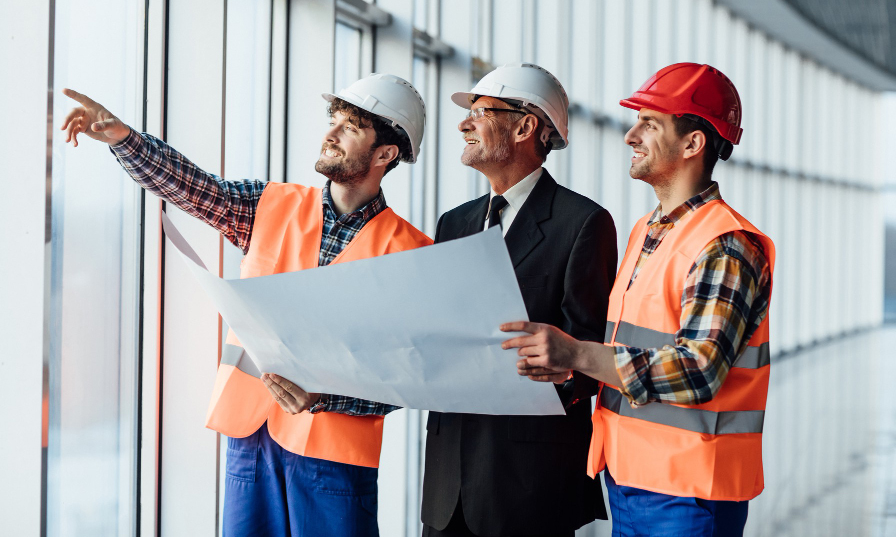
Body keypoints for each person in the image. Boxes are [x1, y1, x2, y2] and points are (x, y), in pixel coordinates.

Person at [60, 73, 432, 536]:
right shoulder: (271, 204)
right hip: (251, 438)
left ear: (385, 154)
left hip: (334, 455)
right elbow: (194, 189)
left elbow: (412, 375)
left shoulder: (412, 253)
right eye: (334, 120)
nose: (331, 133)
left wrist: (328, 396)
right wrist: (124, 138)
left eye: (351, 127)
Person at [502, 62, 774, 537]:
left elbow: (699, 369)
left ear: (693, 143)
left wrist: (576, 353)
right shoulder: (646, 231)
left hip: (689, 492)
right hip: (630, 477)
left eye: (650, 123)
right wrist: (569, 367)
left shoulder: (725, 244)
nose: (631, 135)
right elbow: (632, 343)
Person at [420, 63, 617, 536]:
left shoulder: (583, 223)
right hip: (448, 480)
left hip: (529, 481)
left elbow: (590, 351)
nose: (464, 124)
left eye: (480, 112)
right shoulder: (453, 222)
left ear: (525, 126)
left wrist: (560, 369)